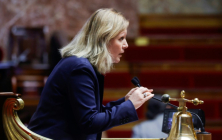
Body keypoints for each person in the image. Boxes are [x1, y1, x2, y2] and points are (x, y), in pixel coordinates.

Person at [27, 8, 154, 140]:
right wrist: (130, 106)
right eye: (121, 38)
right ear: (103, 39)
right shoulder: (80, 68)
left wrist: (125, 102)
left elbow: (92, 113)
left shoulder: (82, 65)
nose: (126, 45)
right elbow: (90, 122)